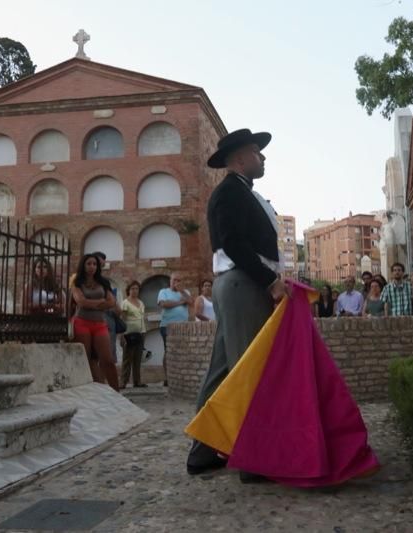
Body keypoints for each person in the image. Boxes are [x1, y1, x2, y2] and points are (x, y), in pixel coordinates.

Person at [187, 128, 289, 482]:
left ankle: (201, 452)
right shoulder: (229, 192)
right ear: (240, 157)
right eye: (257, 153)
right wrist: (269, 280)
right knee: (249, 370)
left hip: (240, 284)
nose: (263, 158)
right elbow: (233, 244)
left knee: (223, 369)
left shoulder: (242, 193)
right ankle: (252, 458)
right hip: (243, 283)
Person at [71, 254, 119, 391]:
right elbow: (81, 302)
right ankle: (86, 390)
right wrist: (101, 302)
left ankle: (116, 392)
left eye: (94, 264)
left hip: (99, 324)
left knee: (108, 360)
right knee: (85, 359)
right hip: (82, 323)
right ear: (83, 265)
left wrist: (91, 303)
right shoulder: (77, 282)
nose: (92, 266)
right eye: (88, 264)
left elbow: (112, 302)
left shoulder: (103, 282)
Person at [158, 272, 193, 386]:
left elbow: (191, 302)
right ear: (170, 281)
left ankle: (181, 376)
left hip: (183, 327)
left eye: (179, 280)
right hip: (167, 326)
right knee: (169, 351)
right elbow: (164, 304)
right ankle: (168, 377)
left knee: (183, 351)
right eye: (174, 280)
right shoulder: (164, 292)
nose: (176, 283)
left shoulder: (185, 292)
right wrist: (181, 302)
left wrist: (182, 292)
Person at [120, 280, 147, 388]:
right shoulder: (125, 303)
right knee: (127, 358)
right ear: (128, 290)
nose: (135, 291)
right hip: (129, 333)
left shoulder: (141, 302)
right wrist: (122, 334)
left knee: (138, 357)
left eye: (136, 289)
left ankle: (137, 381)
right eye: (132, 289)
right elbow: (123, 319)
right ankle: (123, 381)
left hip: (141, 332)